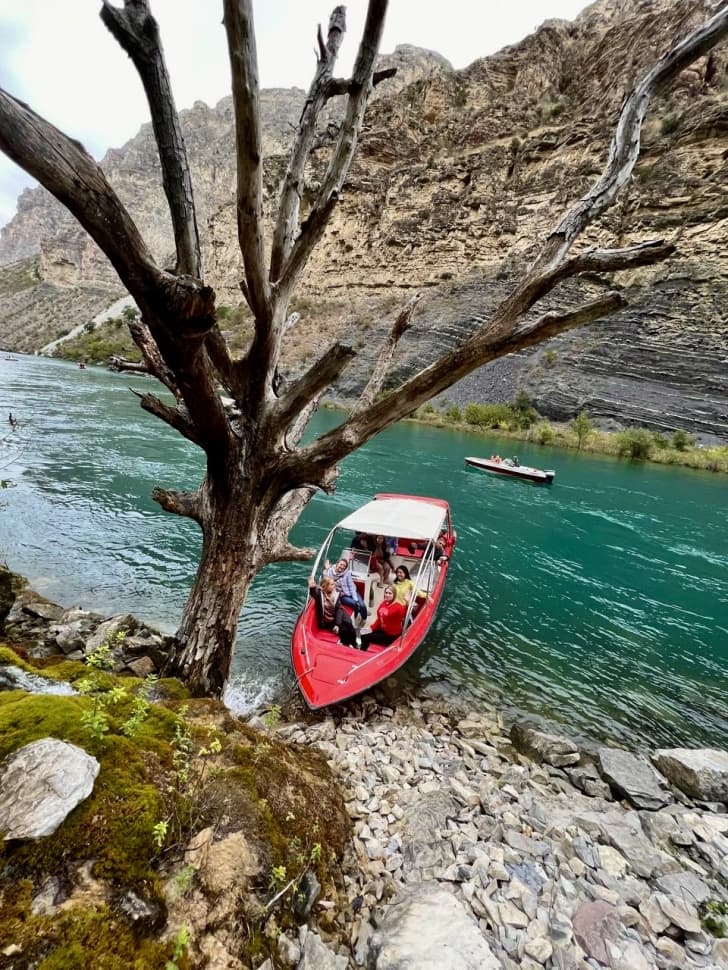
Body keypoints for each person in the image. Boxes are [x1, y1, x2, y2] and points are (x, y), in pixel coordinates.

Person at [308, 576, 357, 647]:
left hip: (337, 617)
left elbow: (339, 610)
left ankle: (354, 644)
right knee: (344, 630)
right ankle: (345, 644)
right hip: (328, 621)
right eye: (331, 584)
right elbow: (314, 593)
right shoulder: (320, 594)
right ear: (326, 586)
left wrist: (337, 624)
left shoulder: (336, 595)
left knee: (350, 626)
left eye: (333, 584)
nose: (334, 586)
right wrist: (312, 587)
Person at [359, 585, 406, 651]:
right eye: (386, 592)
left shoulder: (398, 607)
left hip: (390, 635)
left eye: (390, 593)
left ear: (394, 595)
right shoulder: (384, 603)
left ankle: (362, 651)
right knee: (363, 632)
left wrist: (407, 603)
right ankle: (363, 648)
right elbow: (379, 619)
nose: (387, 595)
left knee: (366, 637)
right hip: (382, 630)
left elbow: (402, 615)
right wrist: (371, 628)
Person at [324, 557, 368, 623]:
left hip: (352, 591)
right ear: (337, 564)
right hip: (342, 595)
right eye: (341, 564)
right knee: (355, 604)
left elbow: (351, 587)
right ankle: (356, 618)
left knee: (362, 605)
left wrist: (355, 598)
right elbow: (325, 579)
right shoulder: (330, 571)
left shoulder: (347, 573)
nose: (342, 567)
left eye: (344, 566)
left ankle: (364, 618)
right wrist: (326, 568)